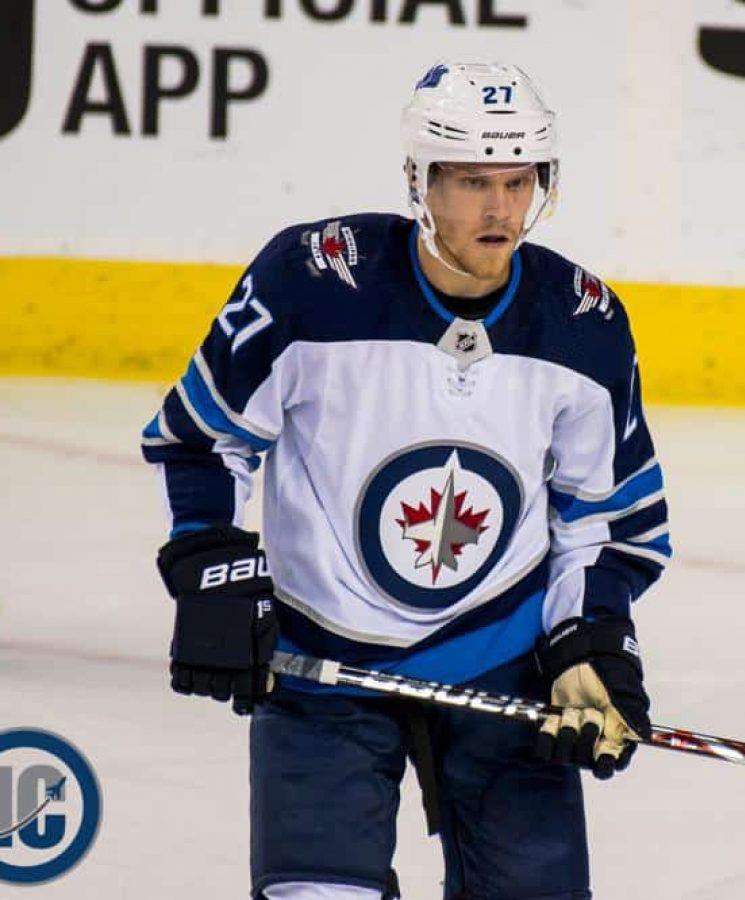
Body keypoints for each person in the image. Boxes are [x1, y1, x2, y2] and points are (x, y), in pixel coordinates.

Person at [140, 61, 671, 900]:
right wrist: (210, 562)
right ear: (420, 180)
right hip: (322, 662)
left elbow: (606, 518)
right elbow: (205, 438)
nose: (500, 209)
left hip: (502, 666)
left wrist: (591, 639)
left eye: (518, 180)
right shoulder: (313, 282)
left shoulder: (583, 324)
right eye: (472, 182)